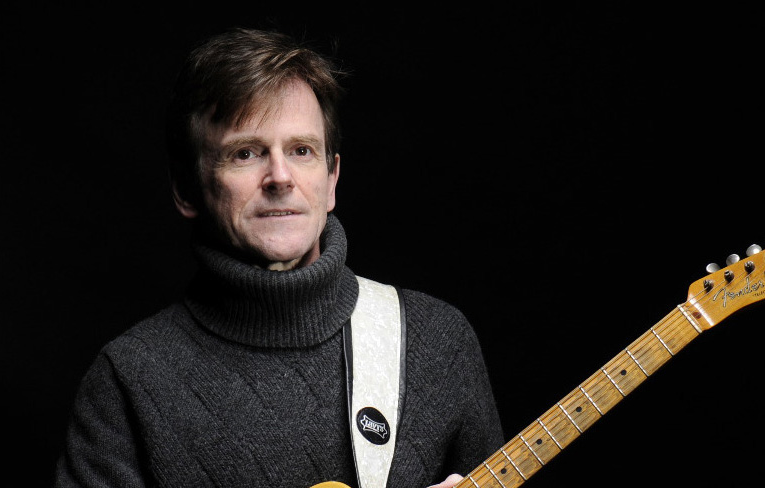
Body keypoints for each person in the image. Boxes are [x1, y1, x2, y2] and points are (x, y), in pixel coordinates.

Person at [54, 27, 504, 488]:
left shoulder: (438, 343)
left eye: (302, 150)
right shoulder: (127, 380)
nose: (280, 177)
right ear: (187, 189)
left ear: (331, 179)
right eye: (245, 153)